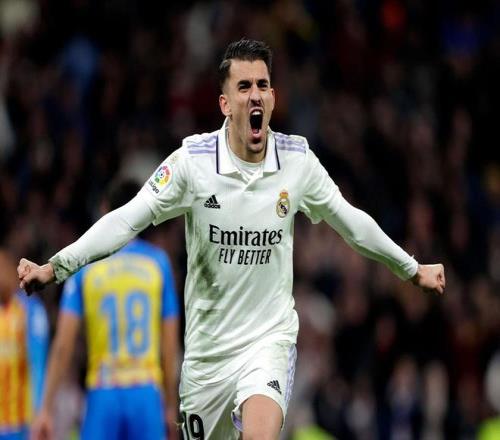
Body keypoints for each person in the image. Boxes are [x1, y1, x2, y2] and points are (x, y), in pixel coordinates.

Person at [17, 39, 445, 440]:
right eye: (244, 87)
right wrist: (57, 266)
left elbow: (352, 223)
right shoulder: (192, 163)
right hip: (207, 361)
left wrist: (411, 268)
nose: (255, 95)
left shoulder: (297, 161)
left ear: (273, 97)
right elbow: (126, 219)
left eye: (262, 85)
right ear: (225, 103)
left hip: (268, 342)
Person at [29, 180, 180, 440]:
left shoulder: (86, 266)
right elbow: (169, 344)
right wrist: (169, 405)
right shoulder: (158, 264)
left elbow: (64, 343)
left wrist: (46, 409)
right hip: (146, 392)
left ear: (103, 210)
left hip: (103, 391)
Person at [0, 249, 48, 440]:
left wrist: (39, 411)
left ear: (10, 270)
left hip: (20, 423)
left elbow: (38, 363)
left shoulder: (30, 310)